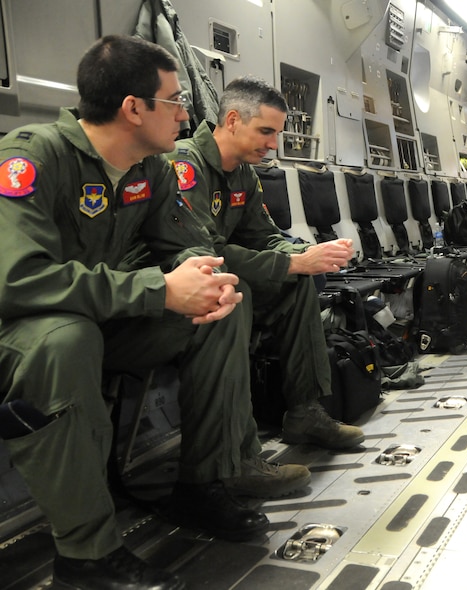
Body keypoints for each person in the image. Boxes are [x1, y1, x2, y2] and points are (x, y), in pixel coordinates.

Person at [0, 35, 303, 590]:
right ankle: (85, 556)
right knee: (66, 340)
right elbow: (18, 281)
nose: (186, 114)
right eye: (175, 101)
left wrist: (202, 277)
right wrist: (157, 290)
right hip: (26, 329)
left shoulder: (151, 170)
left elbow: (183, 244)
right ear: (133, 108)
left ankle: (202, 484)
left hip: (106, 319)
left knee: (221, 308)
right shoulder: (32, 158)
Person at [168, 76, 365, 452]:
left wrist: (306, 254)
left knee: (299, 283)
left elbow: (263, 235)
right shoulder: (184, 167)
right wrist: (292, 264)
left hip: (226, 279)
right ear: (231, 121)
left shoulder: (243, 174)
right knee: (247, 286)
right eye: (266, 131)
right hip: (188, 291)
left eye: (277, 134)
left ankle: (306, 412)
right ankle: (233, 451)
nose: (273, 144)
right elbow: (204, 250)